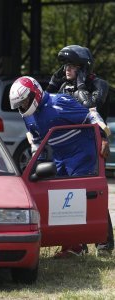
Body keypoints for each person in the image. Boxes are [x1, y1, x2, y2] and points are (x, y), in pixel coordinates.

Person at [9, 76, 111, 257]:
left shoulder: (59, 103)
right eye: (19, 104)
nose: (22, 107)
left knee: (87, 200)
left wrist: (103, 138)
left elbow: (90, 114)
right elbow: (36, 143)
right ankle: (74, 246)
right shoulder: (28, 116)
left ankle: (104, 244)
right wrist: (35, 166)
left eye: (24, 102)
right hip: (60, 157)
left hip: (82, 153)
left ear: (35, 94)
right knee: (62, 203)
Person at [46, 45, 114, 257]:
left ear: (83, 68)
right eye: (65, 65)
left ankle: (105, 243)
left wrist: (81, 83)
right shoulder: (63, 86)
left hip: (90, 144)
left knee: (92, 193)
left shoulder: (99, 85)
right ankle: (76, 244)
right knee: (66, 195)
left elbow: (91, 106)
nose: (67, 69)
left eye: (72, 66)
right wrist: (53, 83)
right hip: (67, 147)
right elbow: (47, 105)